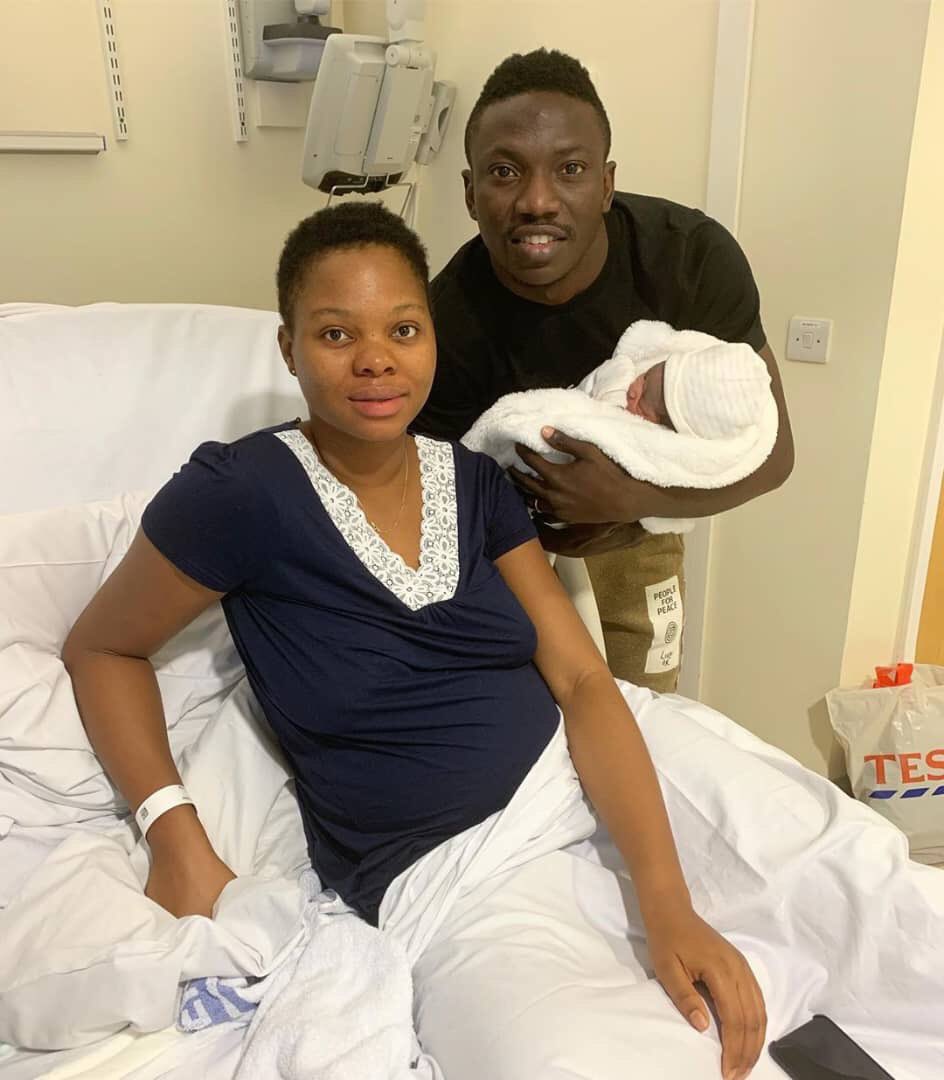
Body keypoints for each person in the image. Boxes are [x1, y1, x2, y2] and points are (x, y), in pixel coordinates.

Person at [62, 202, 764, 1079]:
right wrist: (175, 836)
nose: (376, 359)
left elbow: (585, 682)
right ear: (288, 349)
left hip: (603, 777)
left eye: (403, 328)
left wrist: (667, 901)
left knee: (850, 882)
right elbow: (102, 649)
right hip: (450, 873)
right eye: (335, 333)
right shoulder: (240, 493)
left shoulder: (477, 484)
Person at [416, 49, 794, 691]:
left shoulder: (689, 260)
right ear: (471, 192)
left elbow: (775, 454)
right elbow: (442, 503)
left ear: (606, 183)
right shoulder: (444, 321)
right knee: (522, 713)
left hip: (647, 519)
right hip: (507, 544)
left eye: (570, 169)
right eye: (505, 172)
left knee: (648, 707)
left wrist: (633, 501)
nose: (537, 201)